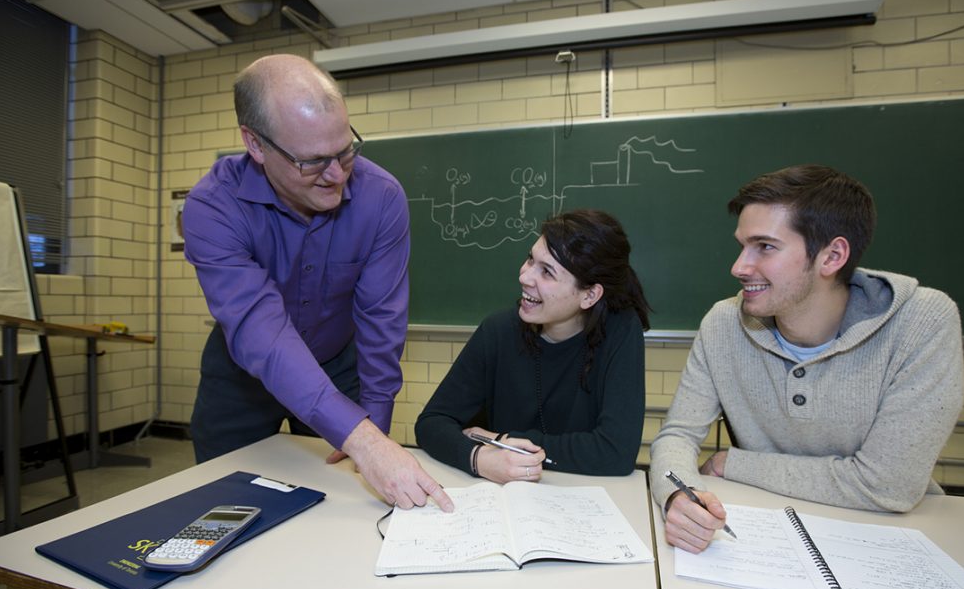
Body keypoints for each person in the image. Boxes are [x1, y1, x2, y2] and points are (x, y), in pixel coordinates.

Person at [183, 54, 452, 512]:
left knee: (345, 504)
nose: (337, 177)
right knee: (225, 504)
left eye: (346, 151)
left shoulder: (381, 198)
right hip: (242, 375)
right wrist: (364, 441)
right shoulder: (212, 208)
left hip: (338, 363)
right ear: (255, 143)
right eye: (312, 162)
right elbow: (260, 332)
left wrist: (375, 427)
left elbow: (381, 318)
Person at [651, 164, 964, 553]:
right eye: (741, 246)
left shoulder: (923, 322)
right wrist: (679, 497)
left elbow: (889, 487)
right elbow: (677, 437)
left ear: (832, 257)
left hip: (891, 538)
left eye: (764, 246)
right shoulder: (723, 323)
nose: (739, 267)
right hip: (761, 531)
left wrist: (734, 464)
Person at [415, 209, 651, 483]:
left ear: (589, 295)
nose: (524, 277)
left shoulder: (620, 332)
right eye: (530, 259)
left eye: (547, 272)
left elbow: (615, 453)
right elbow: (431, 424)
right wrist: (479, 459)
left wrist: (505, 441)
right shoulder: (498, 331)